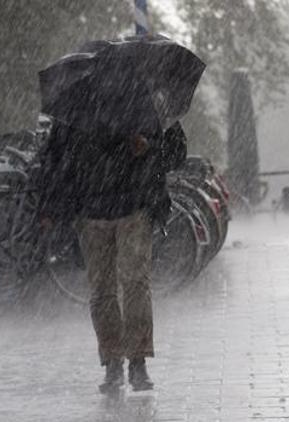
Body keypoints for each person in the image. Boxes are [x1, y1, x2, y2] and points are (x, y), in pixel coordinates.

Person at [37, 121, 186, 393]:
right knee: (105, 289)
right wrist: (50, 206)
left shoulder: (143, 102)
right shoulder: (80, 109)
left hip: (133, 207)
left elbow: (176, 154)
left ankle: (136, 361)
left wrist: (148, 147)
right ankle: (114, 362)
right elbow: (56, 159)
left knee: (134, 285)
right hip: (92, 212)